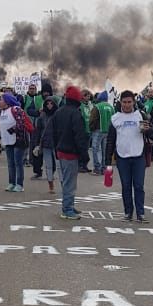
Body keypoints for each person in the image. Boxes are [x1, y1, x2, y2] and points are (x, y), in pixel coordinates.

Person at [106, 89, 149, 221]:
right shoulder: (115, 118)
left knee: (139, 186)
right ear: (121, 102)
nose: (127, 105)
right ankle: (128, 212)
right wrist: (107, 161)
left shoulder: (140, 115)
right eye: (124, 102)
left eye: (129, 102)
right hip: (122, 157)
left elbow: (151, 133)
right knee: (126, 186)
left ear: (133, 102)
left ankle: (140, 213)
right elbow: (110, 140)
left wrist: (149, 130)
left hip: (138, 156)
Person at [52, 85, 89, 218]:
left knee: (67, 181)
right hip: (71, 153)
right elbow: (79, 135)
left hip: (61, 151)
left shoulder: (59, 111)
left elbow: (53, 132)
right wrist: (84, 154)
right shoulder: (75, 113)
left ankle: (70, 206)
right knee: (69, 183)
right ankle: (67, 209)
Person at [0, 92, 28, 191]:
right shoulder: (2, 112)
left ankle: (19, 184)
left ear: (7, 101)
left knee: (18, 163)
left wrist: (11, 130)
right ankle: (11, 183)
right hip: (7, 141)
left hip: (18, 140)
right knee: (10, 163)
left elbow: (21, 123)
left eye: (1, 100)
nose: (0, 101)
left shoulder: (16, 110)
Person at [35, 95, 59, 193]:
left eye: (51, 103)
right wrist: (37, 143)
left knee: (59, 165)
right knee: (48, 165)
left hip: (56, 143)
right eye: (47, 103)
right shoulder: (42, 115)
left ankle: (62, 183)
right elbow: (39, 130)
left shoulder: (58, 114)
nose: (49, 105)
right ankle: (51, 185)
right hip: (45, 143)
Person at [88, 91, 113, 174]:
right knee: (105, 150)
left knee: (96, 149)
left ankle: (97, 168)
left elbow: (92, 119)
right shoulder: (111, 107)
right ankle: (104, 168)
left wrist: (91, 129)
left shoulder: (97, 107)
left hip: (98, 130)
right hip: (108, 131)